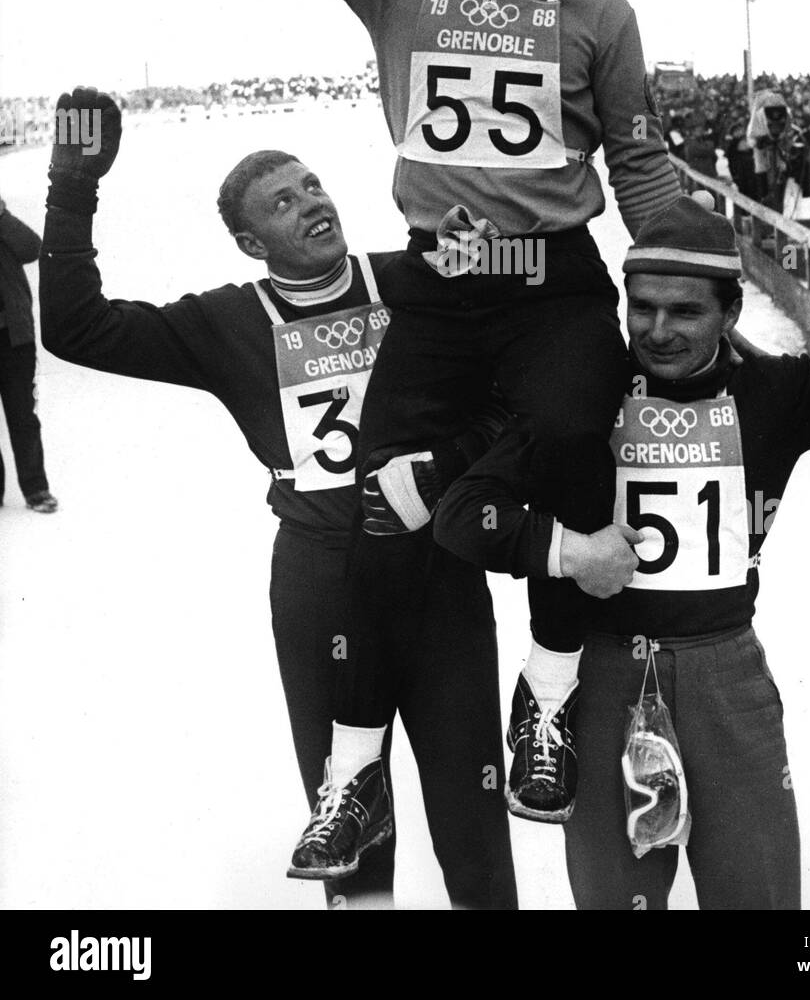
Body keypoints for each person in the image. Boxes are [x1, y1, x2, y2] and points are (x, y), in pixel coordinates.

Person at [259, 0, 681, 855]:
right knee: (378, 506)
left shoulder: (596, 8)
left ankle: (544, 696)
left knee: (568, 450)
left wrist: (684, 281)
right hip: (441, 285)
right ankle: (351, 773)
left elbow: (641, 164)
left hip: (551, 281)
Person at [38, 86, 517, 912]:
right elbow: (76, 330)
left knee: (472, 812)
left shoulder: (409, 277)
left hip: (433, 562)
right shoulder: (226, 320)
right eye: (284, 202)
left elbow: (515, 327)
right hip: (321, 575)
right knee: (351, 817)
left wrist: (485, 244)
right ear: (252, 241)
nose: (312, 205)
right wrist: (72, 186)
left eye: (314, 185)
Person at [432, 175, 810, 909]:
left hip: (725, 674)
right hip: (605, 675)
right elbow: (462, 514)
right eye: (640, 309)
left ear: (730, 311)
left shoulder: (773, 393)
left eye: (685, 311)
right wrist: (569, 553)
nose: (657, 330)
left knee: (759, 896)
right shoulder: (583, 395)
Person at [0, 194, 57, 513]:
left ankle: (36, 490)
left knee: (23, 416)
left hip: (13, 338)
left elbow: (32, 247)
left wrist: (1, 217)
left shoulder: (2, 227)